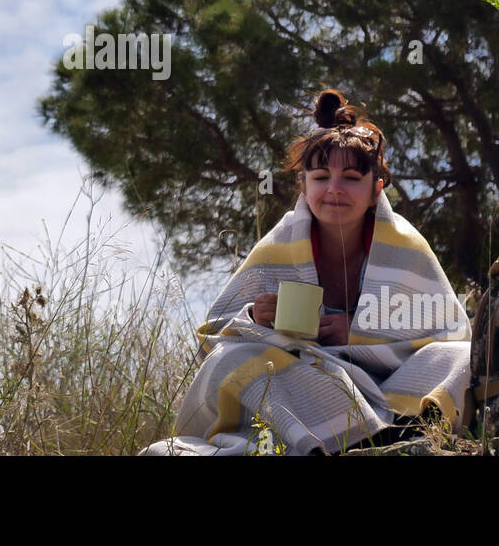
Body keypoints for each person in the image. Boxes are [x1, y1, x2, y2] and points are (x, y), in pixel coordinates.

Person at [140, 89, 471, 455]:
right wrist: (256, 318)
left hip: (392, 387)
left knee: (461, 357)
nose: (333, 190)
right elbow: (216, 332)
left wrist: (361, 331)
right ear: (303, 184)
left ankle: (408, 430)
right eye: (319, 177)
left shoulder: (405, 245)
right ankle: (361, 438)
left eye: (350, 177)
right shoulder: (279, 243)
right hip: (314, 387)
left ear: (376, 190)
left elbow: (450, 331)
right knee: (231, 359)